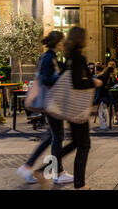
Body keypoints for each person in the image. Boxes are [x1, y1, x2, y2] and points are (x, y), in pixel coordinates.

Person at [36, 27, 102, 190]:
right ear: (81, 39)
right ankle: (79, 184)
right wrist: (94, 82)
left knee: (75, 143)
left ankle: (43, 170)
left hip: (69, 107)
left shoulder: (69, 57)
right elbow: (77, 83)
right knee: (84, 145)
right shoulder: (78, 57)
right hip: (76, 108)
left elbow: (64, 80)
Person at [17, 31, 74, 185]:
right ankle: (58, 172)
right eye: (62, 41)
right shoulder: (48, 57)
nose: (64, 44)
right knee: (58, 136)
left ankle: (28, 167)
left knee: (52, 136)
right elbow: (46, 79)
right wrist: (61, 75)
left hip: (51, 101)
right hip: (50, 101)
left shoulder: (51, 56)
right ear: (58, 42)